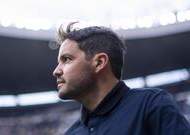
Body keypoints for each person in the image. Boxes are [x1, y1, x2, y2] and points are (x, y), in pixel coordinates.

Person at [52, 22, 190, 135]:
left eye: (67, 59)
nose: (56, 71)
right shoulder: (71, 133)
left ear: (99, 63)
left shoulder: (150, 105)